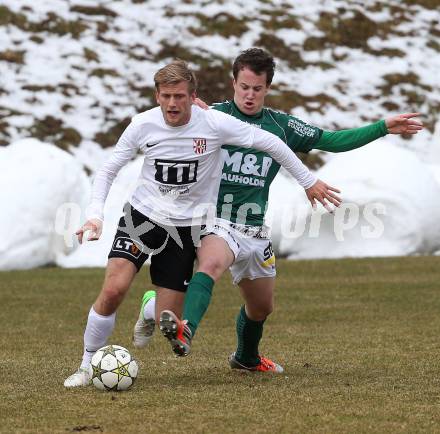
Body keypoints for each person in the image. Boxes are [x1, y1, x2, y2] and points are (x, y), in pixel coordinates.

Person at [132, 49, 423, 373]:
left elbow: (332, 139)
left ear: (267, 88)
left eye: (257, 88)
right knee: (211, 263)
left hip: (254, 228)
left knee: (261, 307)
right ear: (234, 83)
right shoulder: (212, 117)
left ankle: (244, 357)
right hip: (216, 220)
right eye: (244, 87)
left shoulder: (280, 126)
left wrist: (382, 126)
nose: (249, 95)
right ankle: (186, 331)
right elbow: (169, 119)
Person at [64, 59, 340, 387]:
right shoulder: (142, 125)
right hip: (142, 218)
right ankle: (85, 365)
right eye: (166, 95)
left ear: (193, 96)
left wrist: (308, 181)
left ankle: (151, 309)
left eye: (179, 96)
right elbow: (109, 169)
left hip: (185, 230)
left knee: (173, 324)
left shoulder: (214, 124)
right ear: (156, 95)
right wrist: (95, 215)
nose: (172, 103)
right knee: (113, 289)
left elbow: (272, 143)